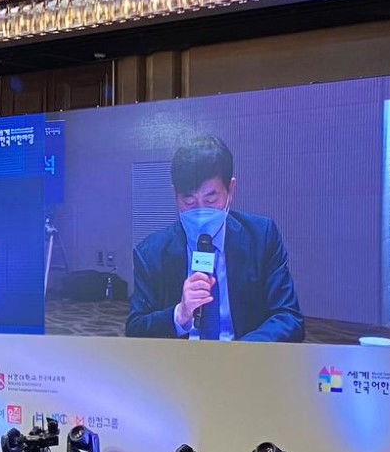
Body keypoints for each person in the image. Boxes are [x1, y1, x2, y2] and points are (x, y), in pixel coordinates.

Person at [127, 137, 303, 342]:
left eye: (211, 200)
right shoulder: (151, 253)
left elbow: (289, 317)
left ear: (231, 190)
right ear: (175, 195)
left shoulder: (261, 236)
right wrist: (180, 314)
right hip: (180, 362)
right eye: (189, 201)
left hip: (245, 358)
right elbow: (135, 329)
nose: (201, 213)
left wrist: (239, 354)